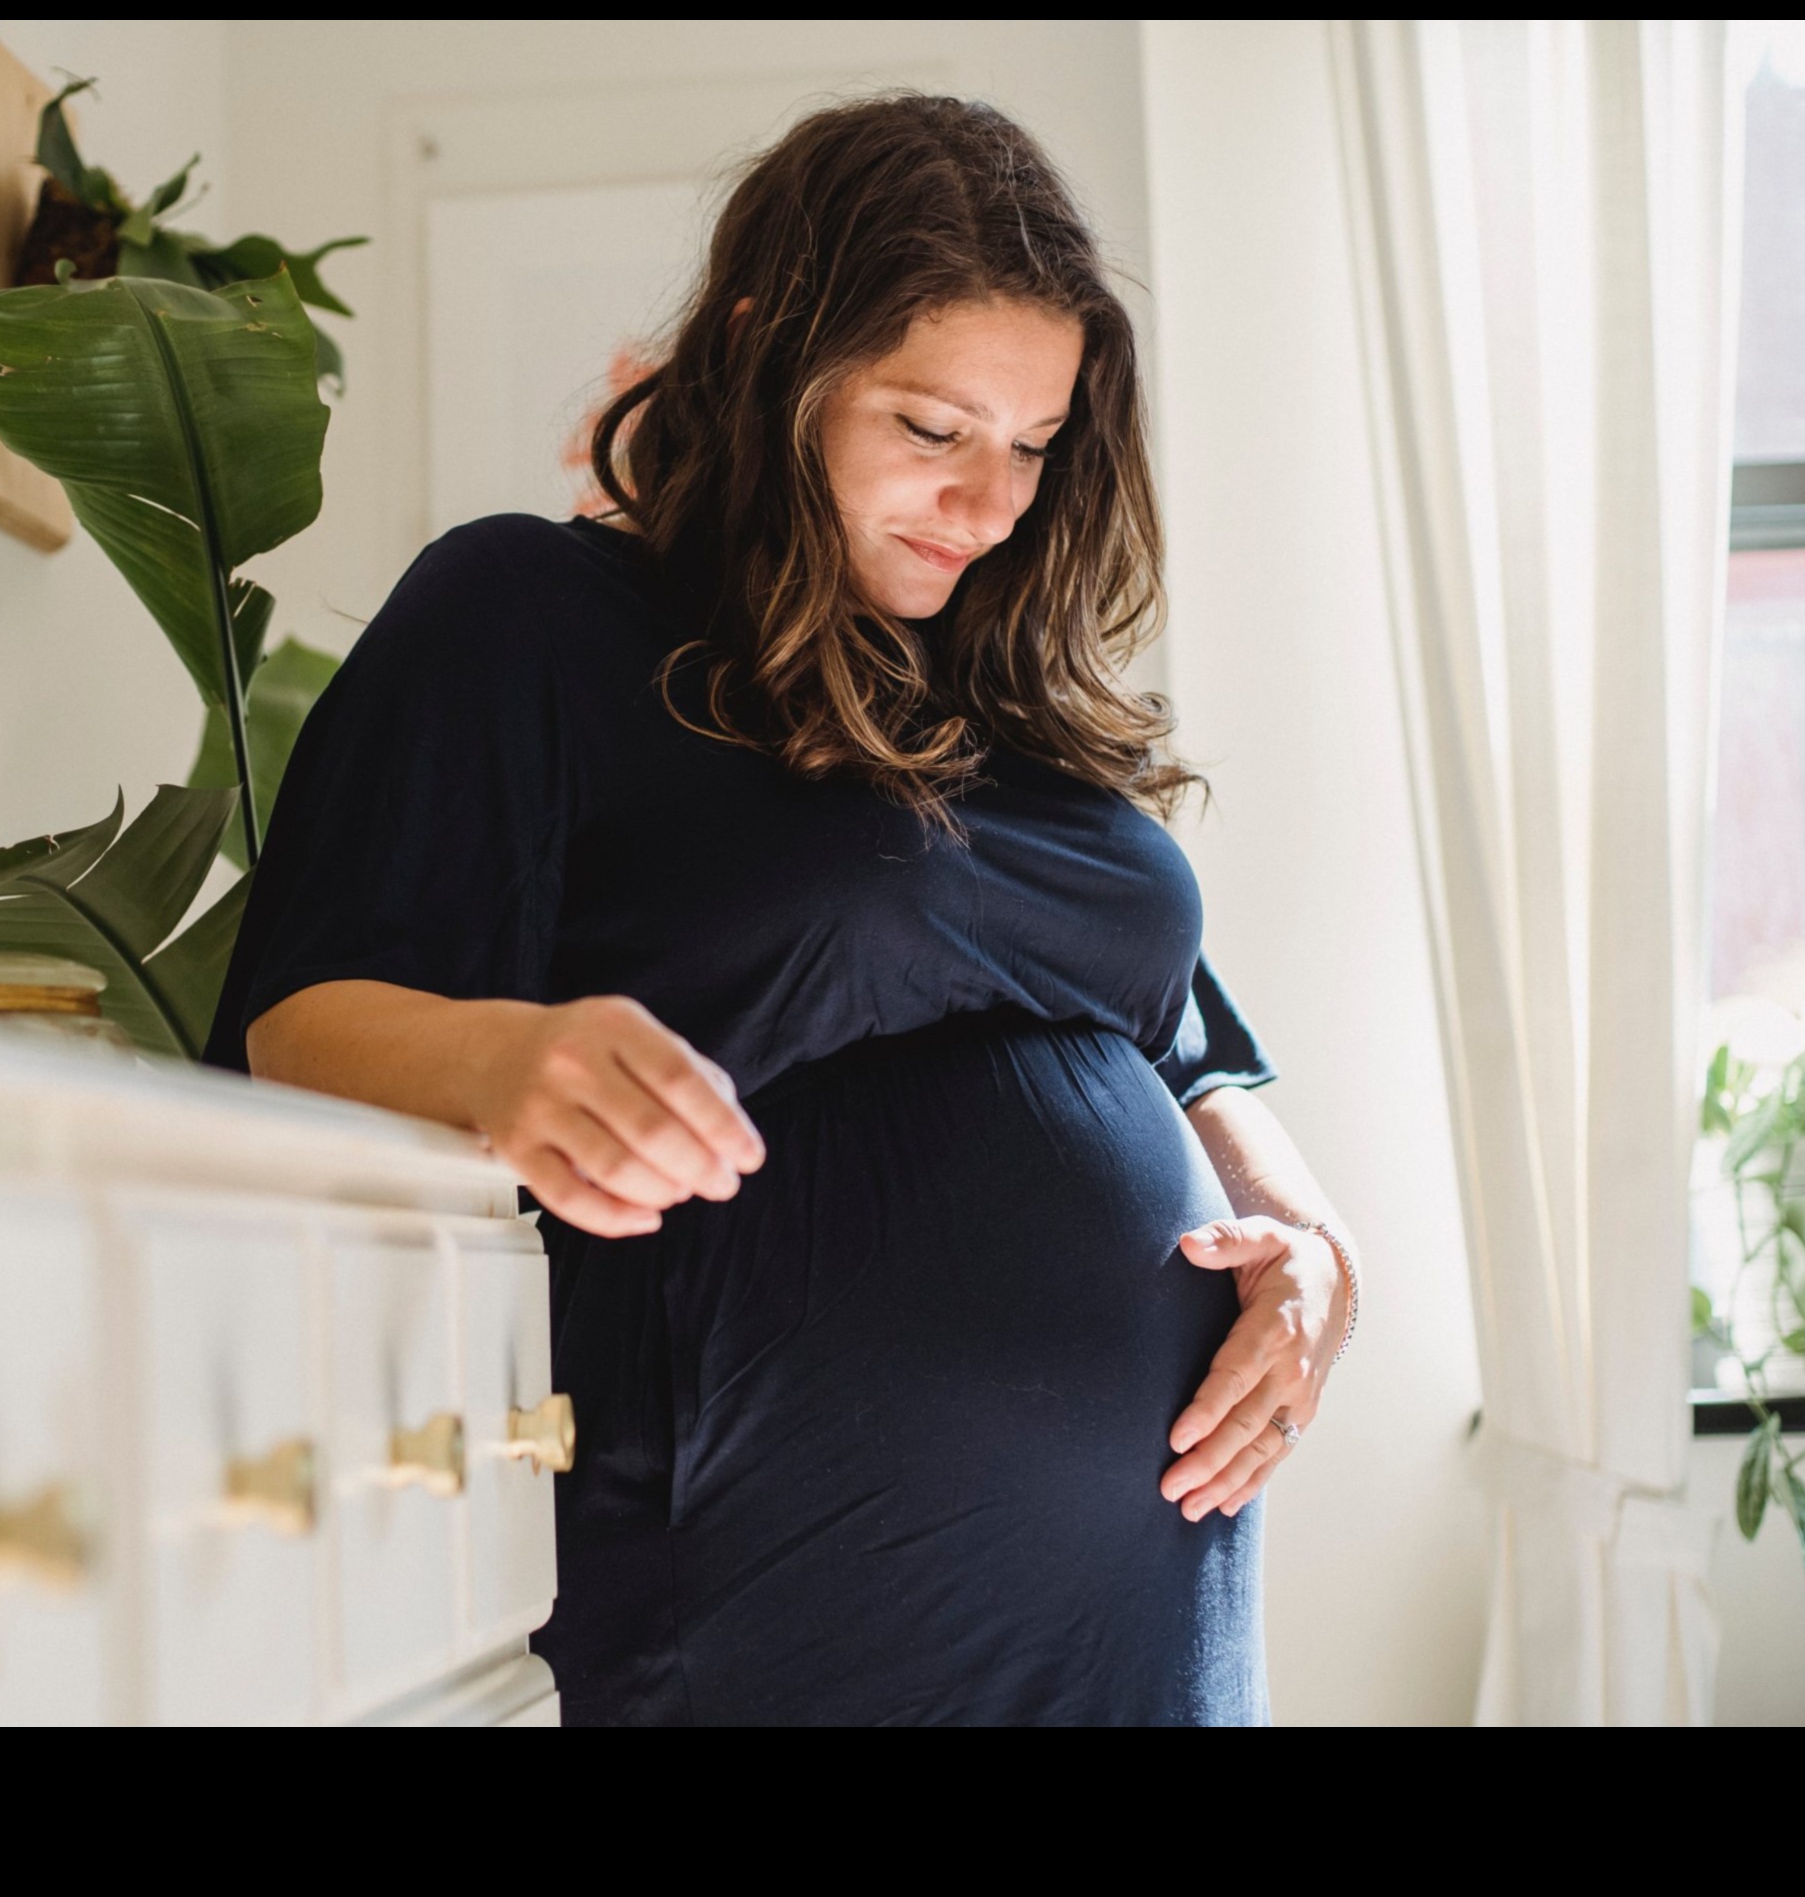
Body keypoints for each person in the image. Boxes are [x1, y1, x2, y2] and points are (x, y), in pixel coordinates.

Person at [205, 93, 1359, 1725]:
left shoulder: (1000, 691)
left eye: (1033, 445)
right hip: (776, 1604)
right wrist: (502, 1062)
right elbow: (294, 1022)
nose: (989, 503)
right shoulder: (534, 621)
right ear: (767, 356)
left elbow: (1187, 1037)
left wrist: (1317, 1252)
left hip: (1143, 1623)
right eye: (933, 428)